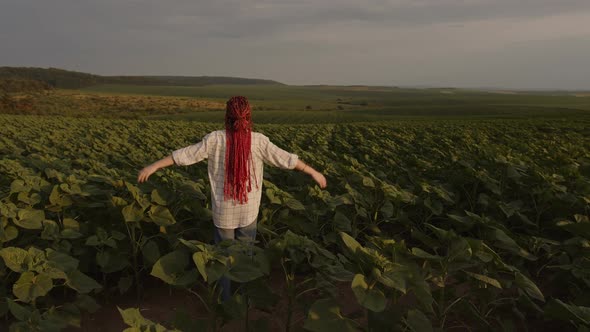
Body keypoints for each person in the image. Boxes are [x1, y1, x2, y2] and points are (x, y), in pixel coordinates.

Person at [137, 96, 327, 301]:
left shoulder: (215, 139)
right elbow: (286, 159)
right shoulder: (259, 140)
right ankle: (243, 298)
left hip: (223, 211)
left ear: (227, 116)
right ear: (249, 116)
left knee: (223, 258)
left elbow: (185, 155)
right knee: (246, 256)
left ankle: (226, 301)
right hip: (248, 209)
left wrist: (154, 165)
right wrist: (313, 172)